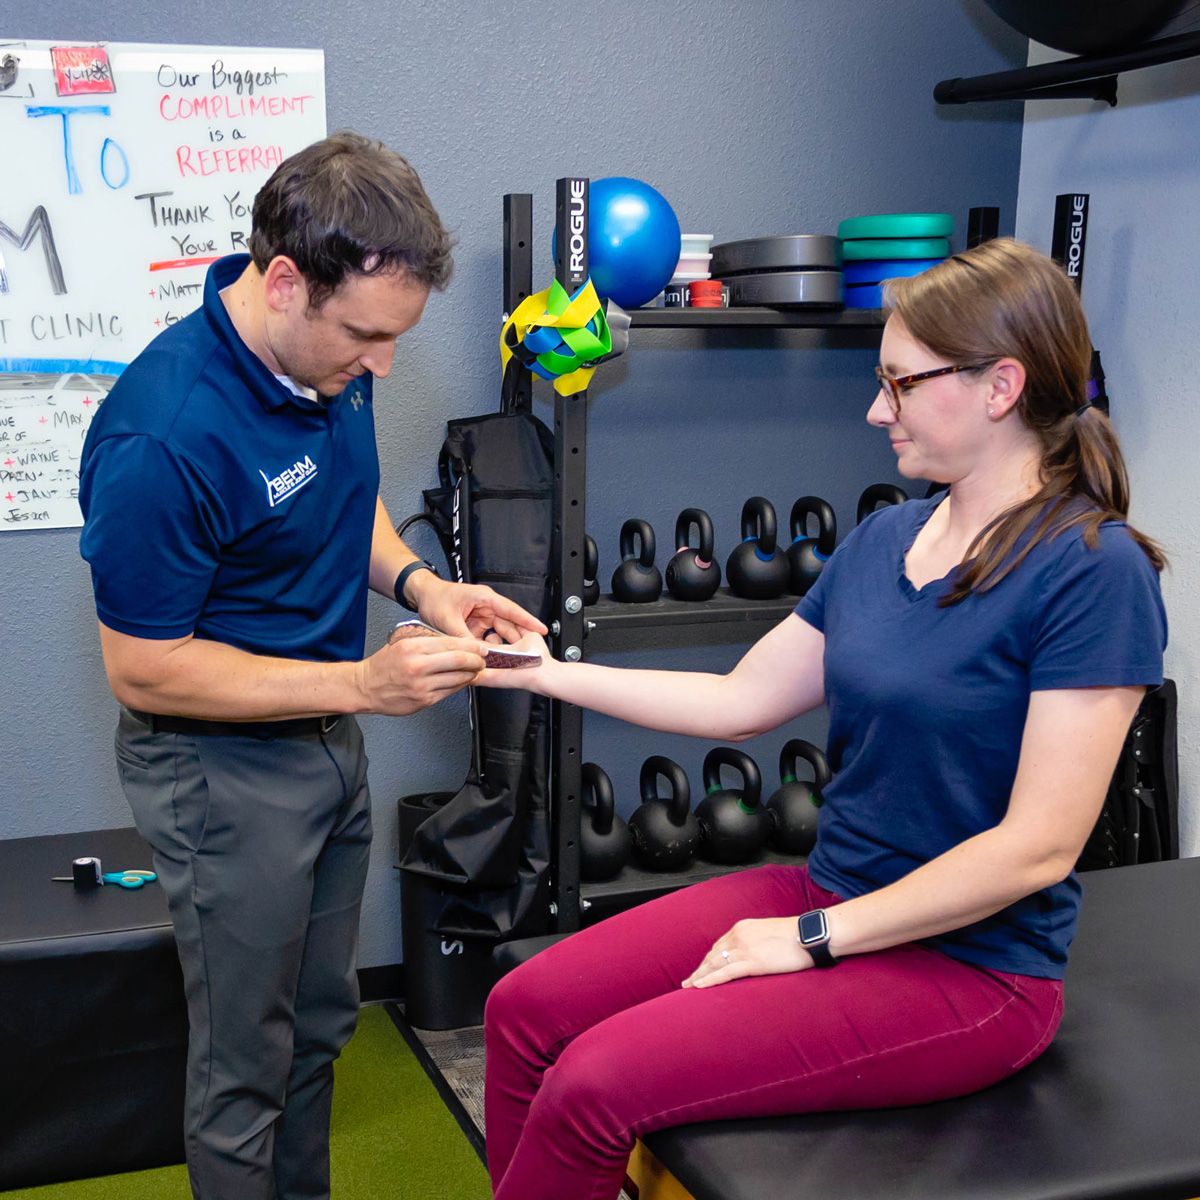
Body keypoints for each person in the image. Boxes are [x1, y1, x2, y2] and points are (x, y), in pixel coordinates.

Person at [477, 238, 1168, 1200]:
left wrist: (807, 941)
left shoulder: (1094, 570)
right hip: (831, 890)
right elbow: (738, 702)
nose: (876, 408)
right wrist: (545, 675)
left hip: (971, 969)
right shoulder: (890, 535)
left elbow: (1037, 849)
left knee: (592, 1086)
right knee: (523, 1009)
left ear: (1001, 385)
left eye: (900, 383)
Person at [78, 131, 544, 1200]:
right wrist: (360, 688)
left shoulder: (326, 360)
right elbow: (144, 670)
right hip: (220, 774)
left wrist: (426, 588)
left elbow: (343, 500)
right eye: (366, 337)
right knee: (246, 1064)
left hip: (327, 746)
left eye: (394, 339)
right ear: (284, 280)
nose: (380, 365)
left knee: (323, 1027)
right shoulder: (163, 436)